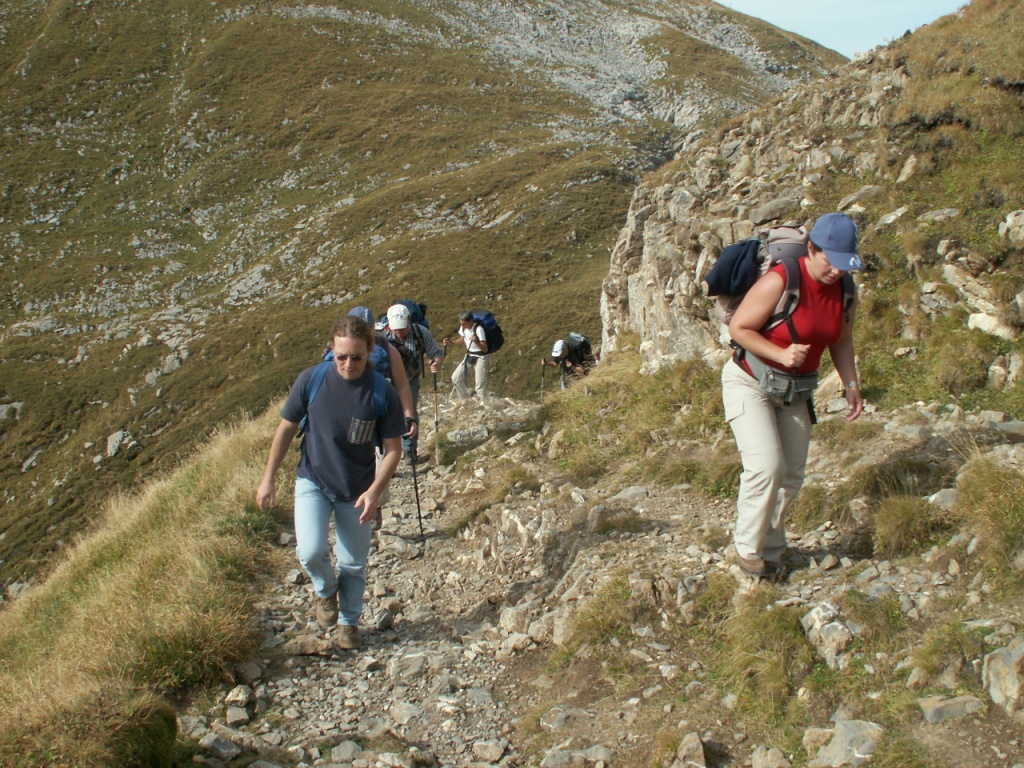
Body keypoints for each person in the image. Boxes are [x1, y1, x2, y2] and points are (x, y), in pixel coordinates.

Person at [722, 212, 864, 579]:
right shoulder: (781, 280)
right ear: (812, 249)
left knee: (791, 475)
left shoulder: (846, 289)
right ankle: (748, 551)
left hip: (795, 391)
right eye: (831, 261)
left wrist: (850, 384)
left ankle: (770, 551)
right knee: (766, 466)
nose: (837, 271)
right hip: (749, 381)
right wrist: (781, 354)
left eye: (844, 264)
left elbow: (842, 340)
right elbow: (739, 328)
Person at [256, 315, 405, 650]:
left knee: (353, 564)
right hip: (313, 480)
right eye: (341, 356)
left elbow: (393, 450)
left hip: (358, 490)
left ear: (370, 351)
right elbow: (286, 428)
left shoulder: (382, 392)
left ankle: (349, 624)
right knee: (310, 551)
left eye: (357, 357)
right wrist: (268, 479)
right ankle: (325, 592)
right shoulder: (311, 380)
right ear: (331, 350)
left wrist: (375, 492)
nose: (348, 364)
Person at [384, 303, 444, 461]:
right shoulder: (382, 335)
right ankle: (386, 456)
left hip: (410, 381)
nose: (398, 332)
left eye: (401, 328)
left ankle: (409, 451)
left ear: (409, 320)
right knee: (385, 414)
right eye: (395, 329)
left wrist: (437, 362)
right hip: (386, 382)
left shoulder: (420, 332)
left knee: (409, 414)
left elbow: (436, 352)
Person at [445, 311, 489, 399]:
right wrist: (451, 343)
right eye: (461, 323)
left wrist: (476, 341)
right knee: (455, 378)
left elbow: (485, 349)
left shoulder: (479, 329)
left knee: (479, 386)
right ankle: (465, 400)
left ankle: (483, 404)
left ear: (471, 321)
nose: (462, 326)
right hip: (469, 356)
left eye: (464, 323)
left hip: (481, 357)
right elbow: (463, 338)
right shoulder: (463, 328)